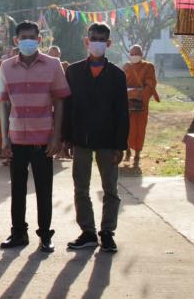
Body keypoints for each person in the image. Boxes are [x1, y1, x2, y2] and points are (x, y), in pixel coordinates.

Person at [0, 22, 70, 253]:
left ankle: (45, 235)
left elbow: (59, 101)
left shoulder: (53, 65)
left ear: (39, 39)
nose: (27, 40)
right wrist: (4, 140)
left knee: (43, 189)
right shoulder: (6, 67)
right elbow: (3, 104)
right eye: (23, 37)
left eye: (32, 37)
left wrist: (57, 137)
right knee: (17, 190)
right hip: (17, 138)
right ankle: (18, 233)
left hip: (43, 139)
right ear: (16, 40)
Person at [63, 22, 129, 253]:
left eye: (102, 40)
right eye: (94, 39)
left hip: (108, 140)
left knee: (110, 189)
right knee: (81, 187)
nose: (97, 43)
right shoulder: (73, 72)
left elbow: (122, 112)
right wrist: (66, 138)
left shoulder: (117, 75)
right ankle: (88, 232)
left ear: (108, 43)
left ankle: (107, 232)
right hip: (81, 139)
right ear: (87, 41)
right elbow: (68, 107)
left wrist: (121, 145)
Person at [123, 45, 160, 167]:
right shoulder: (126, 66)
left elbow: (151, 83)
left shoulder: (148, 66)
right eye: (132, 54)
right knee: (127, 128)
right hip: (127, 103)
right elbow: (120, 83)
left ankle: (137, 154)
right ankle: (127, 151)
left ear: (141, 54)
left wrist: (142, 97)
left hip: (141, 104)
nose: (134, 56)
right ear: (129, 55)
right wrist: (127, 95)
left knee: (140, 129)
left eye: (137, 53)